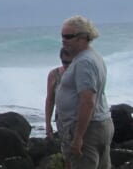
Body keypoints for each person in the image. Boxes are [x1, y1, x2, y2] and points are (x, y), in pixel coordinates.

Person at [55, 15, 114, 169]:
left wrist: (78, 137)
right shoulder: (93, 57)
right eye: (62, 36)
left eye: (68, 36)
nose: (63, 40)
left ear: (83, 38)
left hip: (88, 129)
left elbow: (87, 101)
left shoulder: (84, 62)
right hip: (99, 124)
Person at [45, 48, 74, 140]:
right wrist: (48, 123)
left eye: (70, 63)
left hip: (79, 119)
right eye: (64, 62)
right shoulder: (54, 74)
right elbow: (50, 100)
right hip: (62, 119)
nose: (67, 65)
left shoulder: (81, 74)